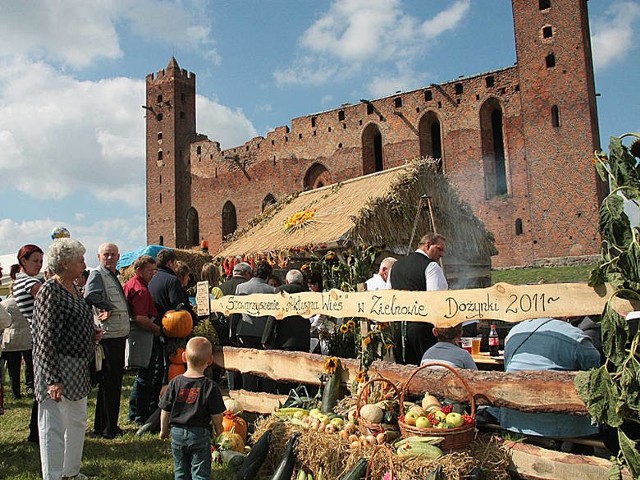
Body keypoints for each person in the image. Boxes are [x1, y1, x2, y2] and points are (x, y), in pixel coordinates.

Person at [33, 238, 95, 480]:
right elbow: (45, 337)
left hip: (78, 368)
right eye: (79, 260)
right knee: (53, 426)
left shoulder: (75, 289)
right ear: (64, 263)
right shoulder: (50, 290)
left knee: (77, 421)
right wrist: (52, 378)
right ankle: (54, 476)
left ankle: (71, 472)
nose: (83, 263)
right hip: (57, 367)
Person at [498, 317, 600, 438]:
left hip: (515, 421)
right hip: (563, 427)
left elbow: (507, 366)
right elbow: (595, 375)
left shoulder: (515, 332)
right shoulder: (575, 336)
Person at [159, 336, 225, 480]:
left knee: (181, 471)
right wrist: (219, 432)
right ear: (210, 360)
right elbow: (217, 417)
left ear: (183, 357)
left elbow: (165, 409)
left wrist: (164, 429)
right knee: (200, 473)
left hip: (177, 433)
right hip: (199, 435)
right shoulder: (210, 386)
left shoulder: (175, 382)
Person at [84, 242, 130, 439]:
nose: (109, 258)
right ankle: (109, 427)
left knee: (110, 384)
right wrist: (106, 306)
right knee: (110, 384)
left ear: (118, 257)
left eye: (113, 255)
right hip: (110, 335)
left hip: (117, 333)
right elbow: (90, 295)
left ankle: (104, 424)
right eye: (106, 255)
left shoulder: (112, 275)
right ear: (99, 257)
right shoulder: (97, 274)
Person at [390, 232, 448, 365]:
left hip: (399, 330)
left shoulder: (395, 267)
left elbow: (389, 295)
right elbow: (435, 299)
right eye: (439, 249)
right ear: (428, 245)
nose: (442, 254)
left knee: (403, 371)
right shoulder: (431, 266)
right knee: (427, 370)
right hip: (422, 329)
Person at [11, 244, 44, 443]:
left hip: (36, 336)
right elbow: (50, 300)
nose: (39, 265)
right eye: (35, 261)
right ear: (23, 261)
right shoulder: (28, 282)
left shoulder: (23, 281)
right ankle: (36, 432)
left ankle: (35, 431)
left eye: (41, 261)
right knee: (43, 390)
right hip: (40, 338)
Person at [124, 255, 162, 425]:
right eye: (149, 271)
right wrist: (158, 330)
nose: (153, 274)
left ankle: (133, 412)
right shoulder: (141, 290)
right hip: (143, 335)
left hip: (138, 334)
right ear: (139, 270)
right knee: (145, 376)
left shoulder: (132, 283)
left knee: (141, 375)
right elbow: (140, 318)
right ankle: (140, 415)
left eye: (154, 271)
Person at [235, 261, 276, 392]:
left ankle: (249, 393)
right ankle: (266, 394)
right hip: (263, 334)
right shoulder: (272, 291)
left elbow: (236, 311)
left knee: (248, 367)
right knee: (265, 367)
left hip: (245, 331)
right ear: (268, 276)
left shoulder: (241, 288)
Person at [1, 295, 33, 399]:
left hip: (11, 337)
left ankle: (16, 393)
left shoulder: (5, 303)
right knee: (30, 364)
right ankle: (30, 386)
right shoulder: (29, 302)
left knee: (13, 369)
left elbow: (5, 320)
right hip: (27, 336)